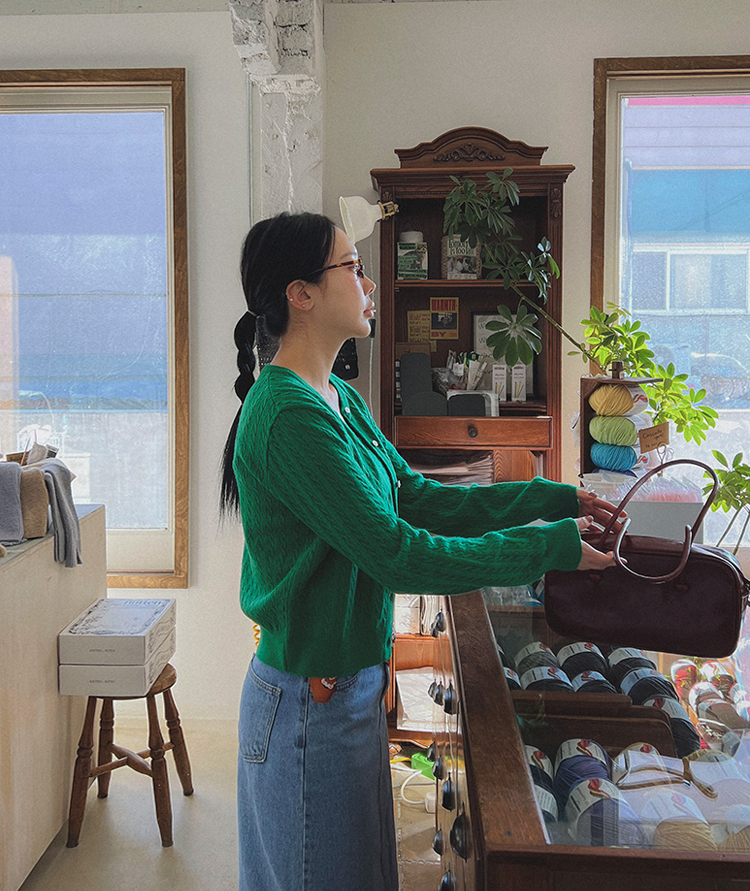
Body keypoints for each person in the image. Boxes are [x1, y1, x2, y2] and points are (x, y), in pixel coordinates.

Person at [220, 211, 619, 891]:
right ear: (302, 293)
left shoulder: (338, 399)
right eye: (353, 267)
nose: (369, 282)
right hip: (310, 709)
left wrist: (553, 500)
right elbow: (397, 554)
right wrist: (546, 549)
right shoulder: (288, 416)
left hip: (345, 694)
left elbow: (422, 499)